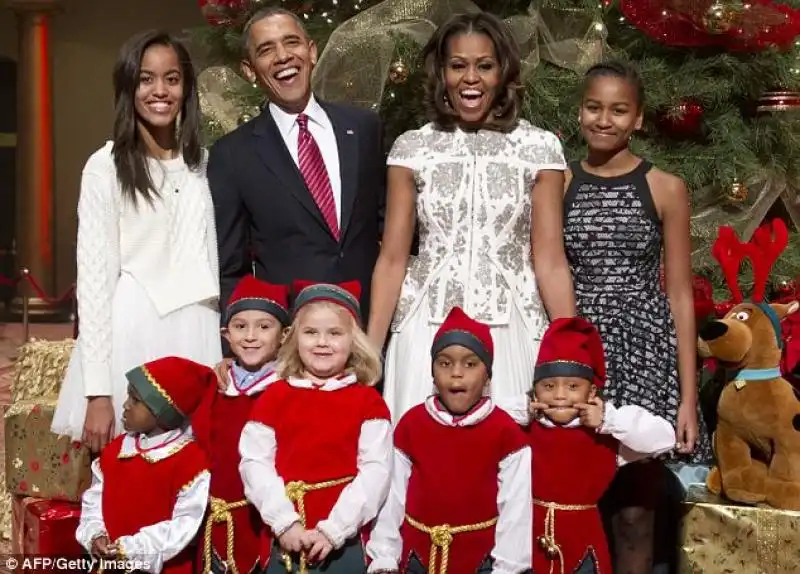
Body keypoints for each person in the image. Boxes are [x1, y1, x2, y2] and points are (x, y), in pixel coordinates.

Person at [366, 12, 570, 421]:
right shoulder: (413, 148)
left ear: (503, 72)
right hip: (425, 323)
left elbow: (549, 259)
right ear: (442, 73)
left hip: (511, 324)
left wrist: (570, 348)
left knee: (508, 459)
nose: (470, 78)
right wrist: (370, 349)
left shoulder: (538, 147)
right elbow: (392, 258)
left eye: (485, 65)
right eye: (458, 65)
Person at [552, 60, 711, 573]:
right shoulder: (558, 184)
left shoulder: (665, 187)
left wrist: (687, 399)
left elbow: (680, 295)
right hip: (580, 355)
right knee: (576, 504)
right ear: (580, 112)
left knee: (636, 514)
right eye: (594, 107)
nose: (605, 119)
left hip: (646, 358)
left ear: (638, 119)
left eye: (619, 110)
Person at [52, 30, 222, 452]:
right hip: (135, 330)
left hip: (198, 331)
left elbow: (212, 258)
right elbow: (93, 283)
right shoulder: (105, 167)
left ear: (186, 88)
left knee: (194, 473)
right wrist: (97, 392)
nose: (159, 91)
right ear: (129, 87)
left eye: (171, 79)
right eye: (146, 79)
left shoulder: (202, 164)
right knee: (128, 474)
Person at [209, 7, 386, 329]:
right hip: (288, 339)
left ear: (312, 51)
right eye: (266, 50)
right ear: (249, 70)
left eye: (292, 43)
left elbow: (389, 233)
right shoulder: (232, 154)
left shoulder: (364, 129)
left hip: (368, 331)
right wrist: (239, 349)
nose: (282, 57)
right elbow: (230, 269)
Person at [239, 281, 392, 573]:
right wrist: (285, 522)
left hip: (343, 542)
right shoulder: (273, 398)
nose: (322, 342)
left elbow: (376, 471)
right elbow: (255, 463)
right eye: (311, 333)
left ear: (354, 340)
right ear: (295, 338)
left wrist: (334, 529)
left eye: (334, 333)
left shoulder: (368, 402)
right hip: (284, 538)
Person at [366, 306, 532, 574]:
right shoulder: (412, 425)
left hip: (480, 563)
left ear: (488, 374)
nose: (457, 373)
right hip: (417, 560)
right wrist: (384, 555)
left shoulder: (506, 433)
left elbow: (516, 512)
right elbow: (392, 496)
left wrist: (508, 569)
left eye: (470, 363)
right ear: (432, 372)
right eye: (445, 363)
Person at [517, 317, 675, 574]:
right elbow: (487, 419)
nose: (559, 395)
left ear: (591, 394)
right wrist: (522, 409)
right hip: (529, 545)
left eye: (572, 386)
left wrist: (609, 420)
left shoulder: (606, 439)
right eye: (548, 386)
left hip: (584, 551)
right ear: (534, 393)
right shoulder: (523, 432)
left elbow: (664, 438)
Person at [75, 356, 216, 574]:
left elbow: (185, 524)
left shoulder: (190, 462)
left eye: (135, 400)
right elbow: (94, 501)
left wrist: (132, 549)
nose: (125, 405)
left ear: (162, 412)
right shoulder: (116, 451)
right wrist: (96, 534)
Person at [192, 276, 290, 574]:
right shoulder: (214, 385)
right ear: (225, 334)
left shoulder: (287, 389)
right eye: (240, 326)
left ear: (284, 335)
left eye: (264, 327)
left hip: (262, 521)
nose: (250, 336)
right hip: (212, 518)